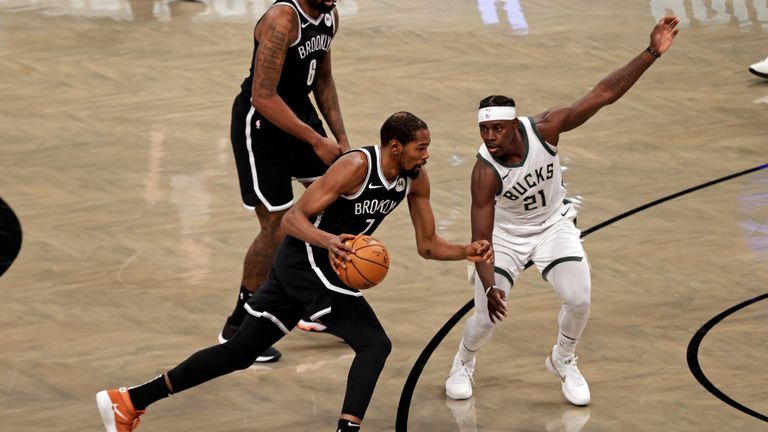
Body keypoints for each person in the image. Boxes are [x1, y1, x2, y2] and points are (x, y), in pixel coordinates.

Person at [96, 112, 493, 432]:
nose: (426, 155)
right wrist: (330, 242)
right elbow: (291, 218)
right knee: (375, 344)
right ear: (395, 146)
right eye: (421, 148)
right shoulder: (355, 166)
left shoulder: (413, 180)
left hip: (323, 269)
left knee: (239, 352)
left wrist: (464, 251)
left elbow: (427, 245)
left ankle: (129, 400)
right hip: (304, 262)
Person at [445, 17, 680, 406]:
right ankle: (463, 361)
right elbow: (481, 240)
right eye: (484, 132)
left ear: (513, 126)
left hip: (553, 224)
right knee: (486, 314)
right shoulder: (485, 172)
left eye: (497, 131)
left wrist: (651, 52)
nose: (489, 139)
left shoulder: (546, 128)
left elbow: (602, 94)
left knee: (580, 299)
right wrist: (488, 286)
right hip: (505, 236)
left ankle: (563, 358)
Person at [223, 0, 350, 362]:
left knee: (334, 203)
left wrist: (340, 139)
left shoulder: (329, 15)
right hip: (262, 127)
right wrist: (315, 139)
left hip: (300, 119)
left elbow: (323, 79)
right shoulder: (283, 20)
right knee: (277, 225)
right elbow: (263, 97)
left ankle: (311, 300)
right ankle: (238, 324)